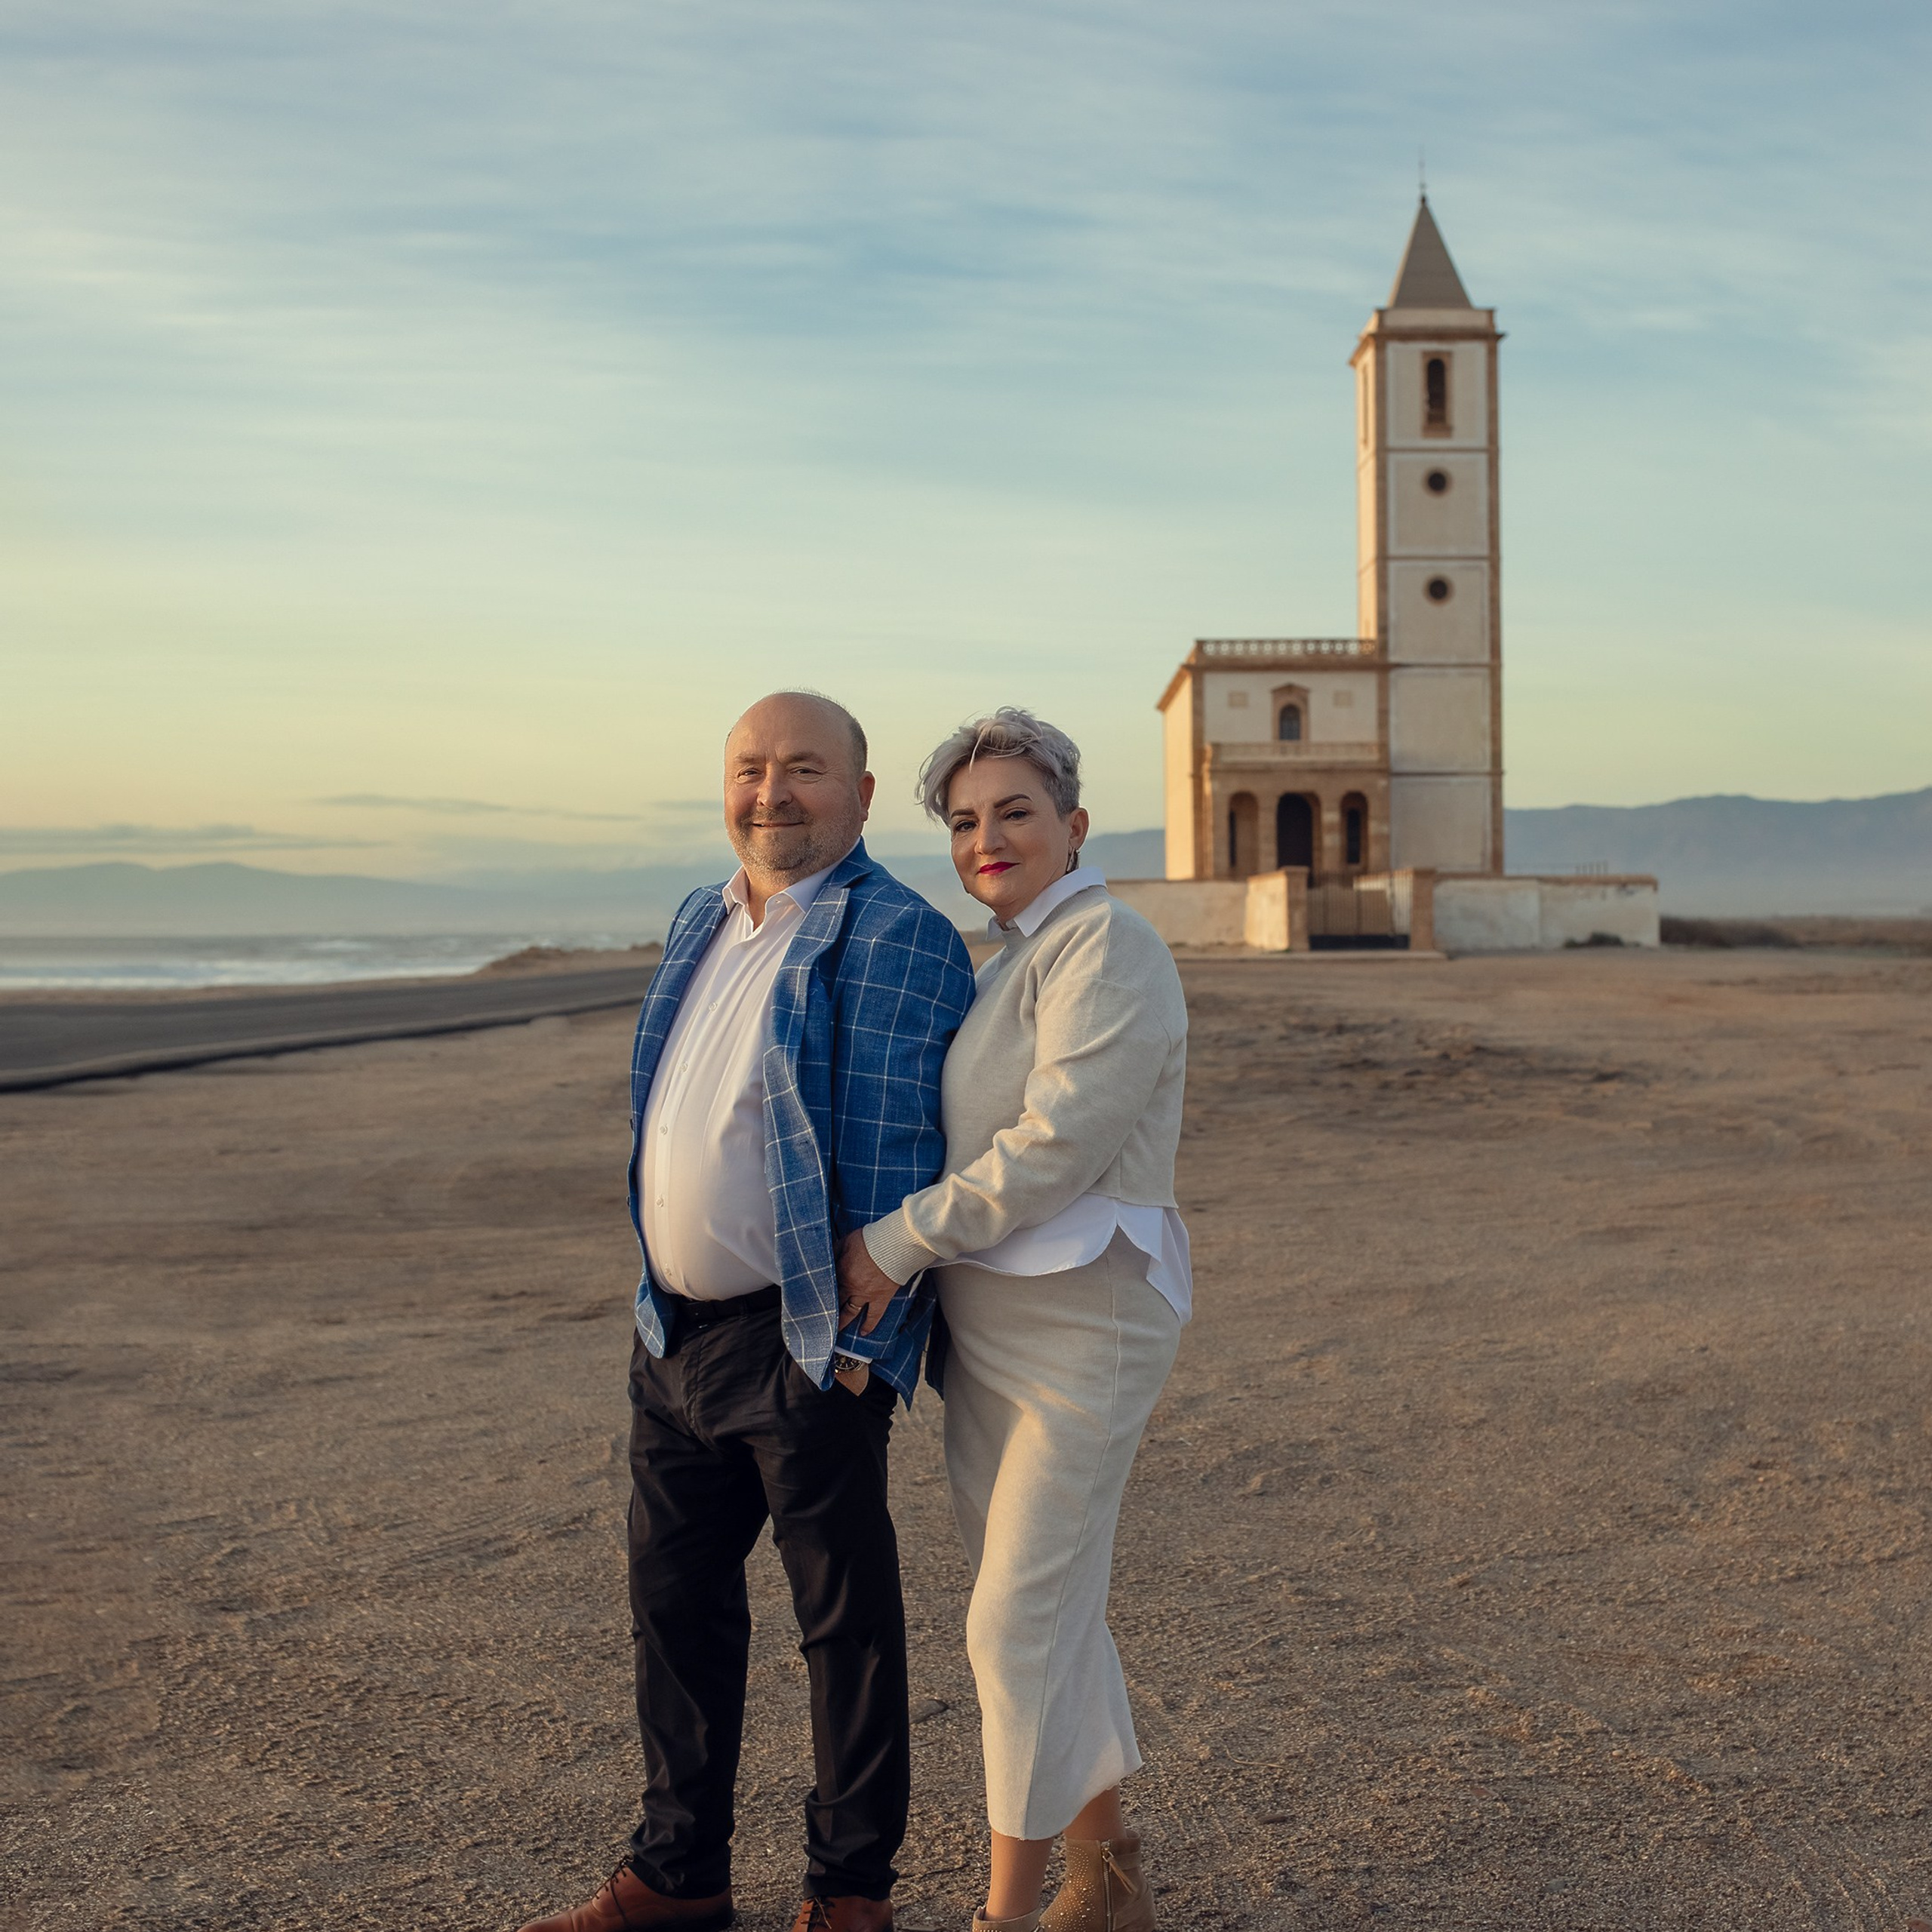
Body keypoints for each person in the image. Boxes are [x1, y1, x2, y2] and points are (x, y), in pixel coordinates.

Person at [518, 691, 975, 1932]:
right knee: (675, 1612)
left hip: (805, 1339)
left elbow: (900, 1149)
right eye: (750, 768)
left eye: (804, 769)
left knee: (844, 1631)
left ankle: (850, 1894)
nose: (772, 792)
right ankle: (680, 1878)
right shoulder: (701, 917)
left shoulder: (896, 932)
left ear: (862, 796)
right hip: (672, 1334)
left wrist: (861, 1351)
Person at [837, 709, 1190, 1932]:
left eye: (1015, 812)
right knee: (1051, 1609)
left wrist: (894, 1242)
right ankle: (1109, 1883)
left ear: (1074, 825)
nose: (986, 838)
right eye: (965, 821)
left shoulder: (1110, 945)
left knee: (1014, 1621)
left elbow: (1058, 1147)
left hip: (1085, 1327)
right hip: (987, 1336)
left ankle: (1006, 1917)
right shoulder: (1006, 965)